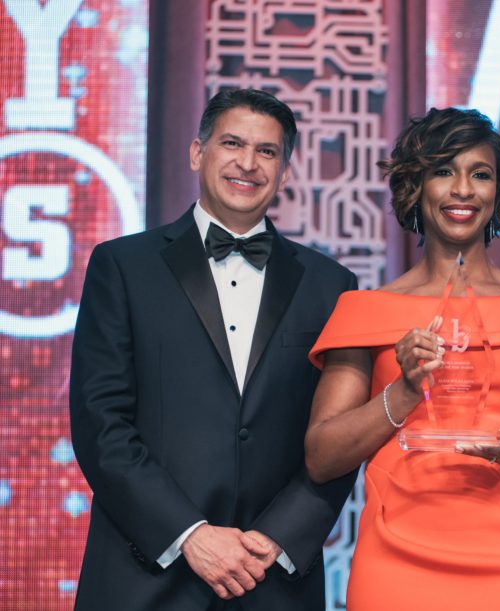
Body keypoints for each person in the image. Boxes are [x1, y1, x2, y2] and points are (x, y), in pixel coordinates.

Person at [70, 88, 358, 610]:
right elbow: (99, 422)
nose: (248, 163)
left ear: (286, 171)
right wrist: (190, 535)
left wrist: (277, 538)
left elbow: (338, 438)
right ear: (197, 153)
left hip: (270, 576)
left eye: (267, 151)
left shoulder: (331, 284)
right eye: (232, 143)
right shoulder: (122, 266)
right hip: (145, 572)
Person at [304, 107, 500, 611]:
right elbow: (321, 456)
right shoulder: (366, 311)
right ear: (415, 188)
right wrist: (401, 390)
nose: (462, 189)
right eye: (444, 172)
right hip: (396, 561)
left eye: (480, 175)